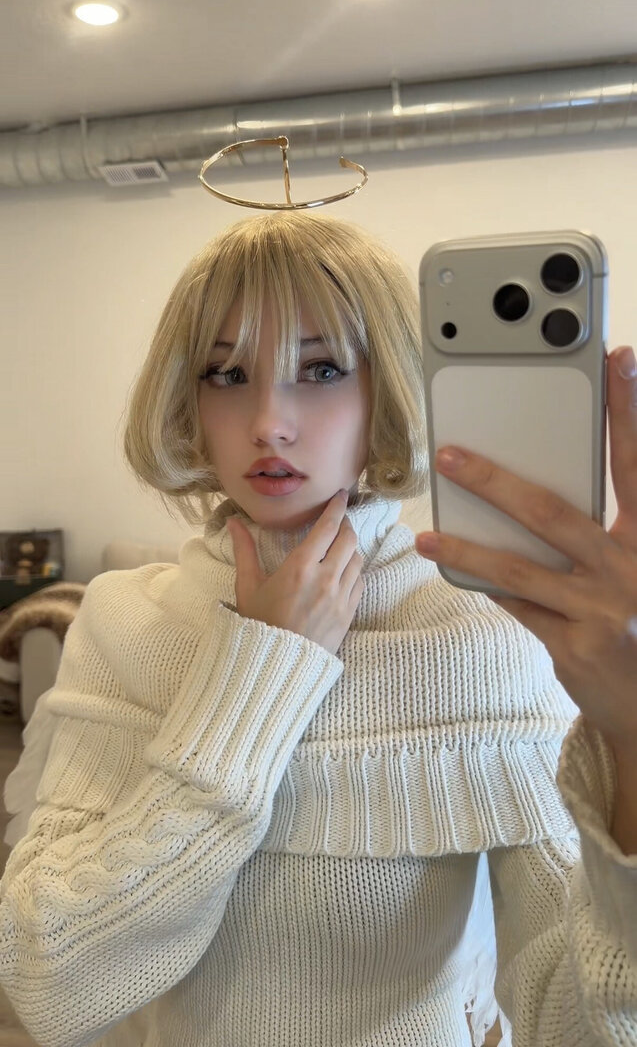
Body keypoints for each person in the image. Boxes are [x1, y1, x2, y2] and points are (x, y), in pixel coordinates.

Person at [0, 210, 634, 1047]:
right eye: (227, 373)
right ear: (187, 396)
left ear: (387, 393)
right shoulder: (122, 619)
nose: (269, 421)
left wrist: (632, 740)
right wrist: (261, 674)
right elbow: (45, 984)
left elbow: (581, 1023)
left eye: (322, 368)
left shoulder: (481, 632)